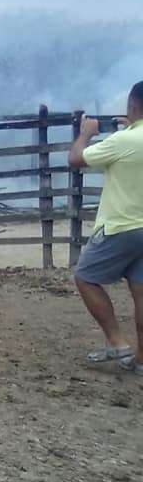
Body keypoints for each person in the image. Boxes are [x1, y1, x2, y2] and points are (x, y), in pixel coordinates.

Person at [68, 81, 143, 375]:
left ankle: (117, 342)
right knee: (141, 292)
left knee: (85, 276)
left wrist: (85, 134)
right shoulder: (128, 137)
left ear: (132, 106)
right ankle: (141, 361)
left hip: (121, 226)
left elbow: (76, 159)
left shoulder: (124, 141)